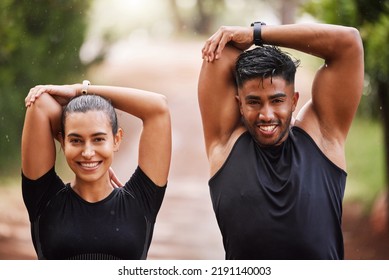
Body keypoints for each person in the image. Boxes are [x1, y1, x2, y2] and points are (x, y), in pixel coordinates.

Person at [198, 22, 364, 259]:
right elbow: (222, 50)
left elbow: (348, 42)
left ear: (294, 101)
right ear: (239, 105)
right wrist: (244, 38)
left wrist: (256, 34)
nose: (266, 115)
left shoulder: (324, 137)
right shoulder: (225, 143)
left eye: (277, 101)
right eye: (254, 102)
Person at [21, 81, 171, 259]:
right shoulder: (44, 197)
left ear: (116, 139)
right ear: (62, 140)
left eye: (98, 139)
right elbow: (40, 103)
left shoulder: (141, 200)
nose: (87, 153)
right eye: (75, 140)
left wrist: (80, 90)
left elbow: (158, 107)